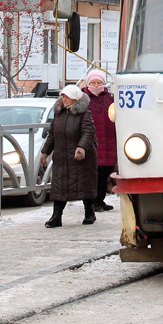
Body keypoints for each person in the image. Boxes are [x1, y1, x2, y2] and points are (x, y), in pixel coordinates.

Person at [40, 85, 98, 228]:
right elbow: (52, 135)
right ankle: (56, 217)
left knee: (85, 185)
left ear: (75, 99)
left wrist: (81, 147)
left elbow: (88, 132)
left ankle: (89, 213)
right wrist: (45, 152)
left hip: (80, 158)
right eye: (63, 96)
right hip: (61, 157)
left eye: (67, 97)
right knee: (59, 187)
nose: (64, 99)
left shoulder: (84, 114)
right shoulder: (59, 114)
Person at [83, 69, 116, 213]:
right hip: (91, 141)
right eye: (93, 82)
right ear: (88, 83)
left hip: (108, 141)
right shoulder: (83, 98)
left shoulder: (109, 98)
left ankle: (100, 199)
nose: (96, 85)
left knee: (104, 172)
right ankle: (92, 202)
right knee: (92, 174)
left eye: (99, 82)